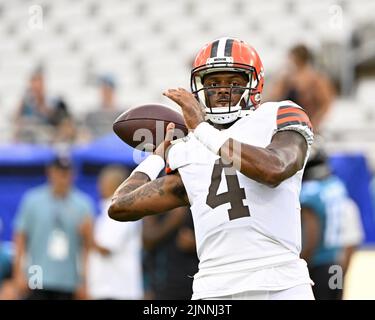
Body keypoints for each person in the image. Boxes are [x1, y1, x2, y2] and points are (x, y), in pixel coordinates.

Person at [109, 37, 315, 300]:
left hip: (279, 283)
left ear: (254, 84)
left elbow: (274, 169)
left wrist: (202, 130)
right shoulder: (189, 149)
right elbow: (120, 206)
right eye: (214, 83)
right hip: (213, 290)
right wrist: (158, 157)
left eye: (234, 82)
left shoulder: (278, 115)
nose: (222, 90)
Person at [13, 155, 94, 300]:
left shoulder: (83, 205)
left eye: (66, 173)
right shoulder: (33, 200)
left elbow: (87, 247)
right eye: (59, 172)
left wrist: (84, 281)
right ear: (50, 172)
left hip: (68, 279)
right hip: (36, 275)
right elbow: (20, 238)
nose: (63, 177)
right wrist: (18, 273)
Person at [300, 146, 364, 299]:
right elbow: (351, 240)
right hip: (336, 266)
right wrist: (341, 272)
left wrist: (302, 262)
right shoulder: (336, 187)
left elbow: (311, 234)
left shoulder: (310, 191)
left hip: (318, 265)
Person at [87, 165, 143, 300]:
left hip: (117, 290)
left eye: (102, 182)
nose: (99, 186)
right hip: (110, 289)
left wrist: (86, 233)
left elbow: (106, 248)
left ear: (112, 185)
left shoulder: (121, 210)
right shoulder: (111, 210)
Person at [267, 44, 335, 131]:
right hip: (286, 123)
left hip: (306, 123)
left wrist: (315, 123)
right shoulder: (287, 77)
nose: (289, 60)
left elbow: (326, 103)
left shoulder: (316, 79)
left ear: (297, 58)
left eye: (291, 57)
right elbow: (273, 96)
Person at [143, 207, 198, 300]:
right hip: (164, 284)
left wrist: (195, 244)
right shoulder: (156, 200)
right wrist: (173, 220)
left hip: (198, 284)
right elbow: (147, 240)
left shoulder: (199, 198)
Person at [83, 74, 123, 140]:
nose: (106, 94)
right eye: (104, 90)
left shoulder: (122, 115)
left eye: (108, 90)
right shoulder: (91, 116)